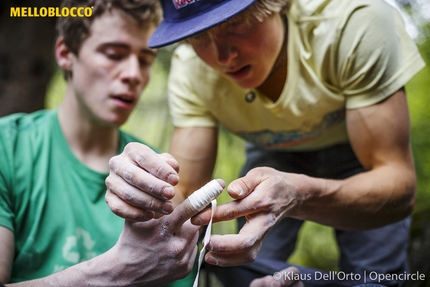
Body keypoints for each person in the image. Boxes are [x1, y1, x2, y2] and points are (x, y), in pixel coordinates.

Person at [105, 0, 425, 286]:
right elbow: (186, 190)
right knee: (244, 266)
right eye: (198, 36)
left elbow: (397, 183)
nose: (222, 57)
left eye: (234, 23)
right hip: (271, 156)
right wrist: (147, 200)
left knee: (374, 277)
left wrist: (299, 195)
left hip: (360, 156)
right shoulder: (191, 69)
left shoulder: (354, 24)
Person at [0, 0, 200, 286]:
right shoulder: (7, 149)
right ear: (65, 54)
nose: (133, 74)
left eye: (145, 60)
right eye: (114, 54)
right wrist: (121, 269)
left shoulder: (157, 175)